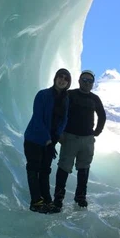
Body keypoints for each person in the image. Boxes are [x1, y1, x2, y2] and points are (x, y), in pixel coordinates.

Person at [53, 69, 106, 209]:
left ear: (93, 83)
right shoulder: (70, 94)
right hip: (70, 137)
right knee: (64, 167)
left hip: (87, 140)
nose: (87, 83)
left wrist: (96, 132)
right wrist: (60, 133)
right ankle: (58, 199)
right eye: (84, 80)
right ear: (79, 81)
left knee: (84, 169)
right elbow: (58, 112)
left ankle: (80, 197)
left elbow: (102, 115)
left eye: (90, 81)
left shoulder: (95, 99)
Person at [23, 68, 71, 213]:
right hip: (34, 139)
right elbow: (38, 119)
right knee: (34, 169)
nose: (62, 80)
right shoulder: (43, 95)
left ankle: (47, 200)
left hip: (50, 141)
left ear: (68, 83)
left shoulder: (65, 99)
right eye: (60, 77)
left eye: (65, 79)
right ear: (55, 78)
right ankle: (36, 202)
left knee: (45, 171)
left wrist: (56, 137)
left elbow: (64, 119)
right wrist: (48, 140)